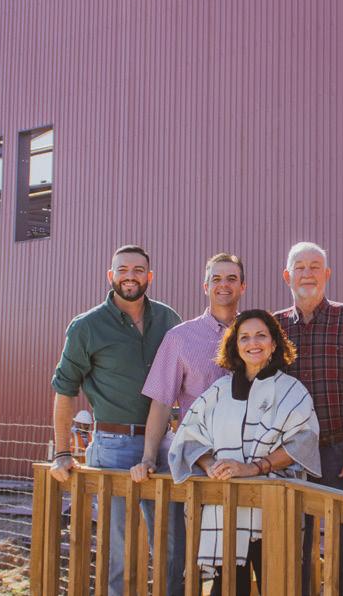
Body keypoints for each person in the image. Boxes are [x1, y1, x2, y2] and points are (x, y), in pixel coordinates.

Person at [50, 244, 181, 596]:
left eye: (138, 270)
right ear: (111, 276)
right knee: (119, 547)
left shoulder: (168, 320)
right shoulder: (87, 326)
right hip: (113, 447)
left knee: (172, 543)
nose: (130, 277)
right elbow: (64, 390)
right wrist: (62, 453)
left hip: (163, 446)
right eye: (122, 270)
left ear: (149, 276)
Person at [170, 309, 320, 596]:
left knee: (280, 588)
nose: (253, 343)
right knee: (227, 589)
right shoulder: (219, 391)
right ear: (234, 345)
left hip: (275, 510)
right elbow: (189, 435)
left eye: (261, 335)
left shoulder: (292, 390)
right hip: (225, 512)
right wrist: (211, 465)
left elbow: (303, 441)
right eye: (245, 337)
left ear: (274, 343)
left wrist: (254, 468)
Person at [130, 252, 246, 594]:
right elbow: (161, 402)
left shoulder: (256, 334)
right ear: (205, 286)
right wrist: (149, 457)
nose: (224, 285)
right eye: (216, 279)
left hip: (245, 464)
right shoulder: (180, 338)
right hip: (196, 464)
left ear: (243, 286)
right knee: (183, 559)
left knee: (235, 559)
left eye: (231, 278)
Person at [274, 242, 343, 596]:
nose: (308, 273)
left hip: (341, 452)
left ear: (327, 274)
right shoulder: (274, 327)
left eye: (315, 266)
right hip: (290, 456)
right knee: (294, 554)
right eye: (300, 267)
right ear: (287, 276)